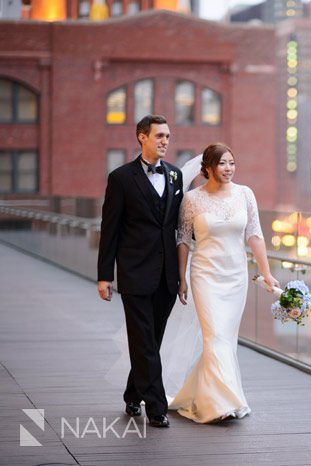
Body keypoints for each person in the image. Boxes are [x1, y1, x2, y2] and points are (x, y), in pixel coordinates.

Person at [168, 142, 279, 423]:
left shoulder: (245, 194)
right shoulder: (192, 199)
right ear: (208, 167)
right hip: (204, 274)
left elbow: (255, 234)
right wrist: (181, 278)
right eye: (222, 163)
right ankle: (221, 402)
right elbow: (182, 241)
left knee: (225, 339)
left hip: (236, 276)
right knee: (214, 335)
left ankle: (209, 395)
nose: (228, 168)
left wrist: (266, 273)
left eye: (231, 163)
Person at [97, 114, 183, 428]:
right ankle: (156, 406)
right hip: (134, 273)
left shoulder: (175, 176)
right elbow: (110, 229)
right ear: (141, 137)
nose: (165, 142)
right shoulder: (120, 178)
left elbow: (175, 225)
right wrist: (105, 275)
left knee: (151, 340)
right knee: (144, 341)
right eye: (159, 136)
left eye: (168, 137)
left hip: (167, 275)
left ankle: (133, 394)